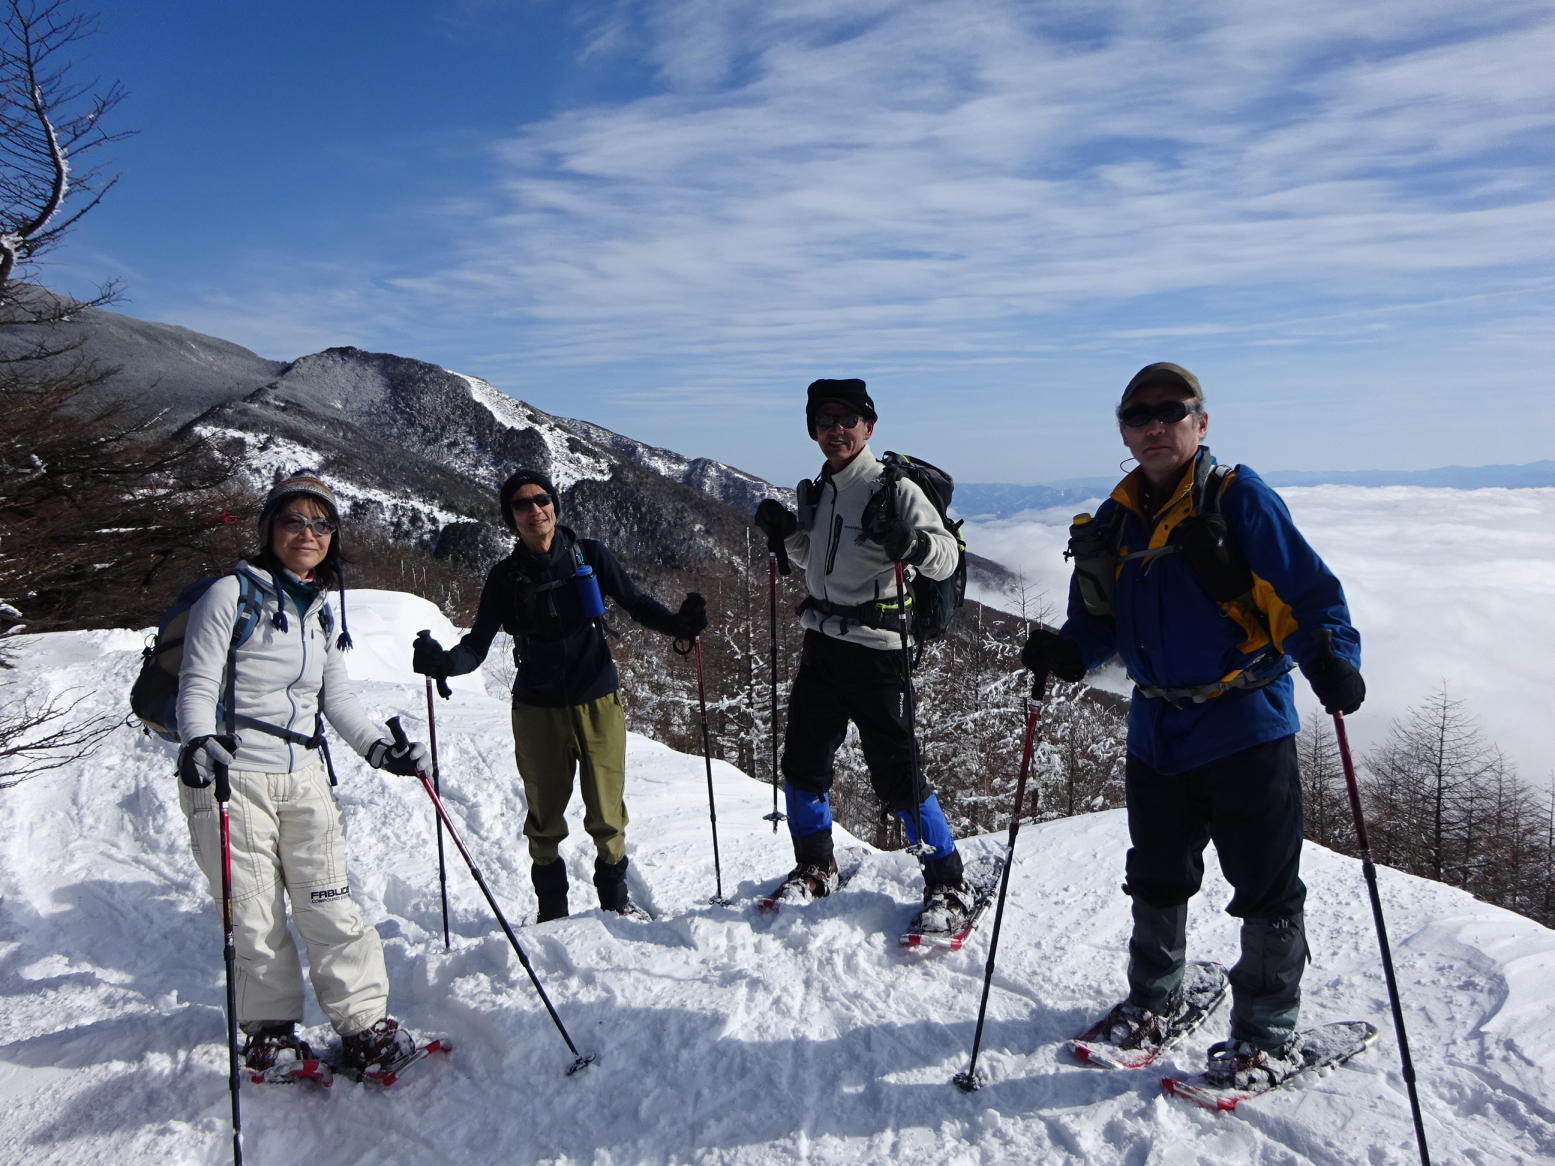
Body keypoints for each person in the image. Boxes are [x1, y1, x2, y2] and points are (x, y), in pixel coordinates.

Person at [1023, 362, 1365, 1087]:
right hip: (1156, 729)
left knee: (1265, 885)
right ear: (1122, 429)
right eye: (1137, 414)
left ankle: (1265, 1034)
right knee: (1155, 875)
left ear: (1199, 423)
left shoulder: (1238, 500)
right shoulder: (1113, 520)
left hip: (1245, 721)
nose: (1153, 425)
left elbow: (1304, 595)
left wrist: (1331, 657)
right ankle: (1154, 998)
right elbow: (1097, 621)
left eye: (1170, 411)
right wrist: (1066, 651)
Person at [176, 470, 431, 1082]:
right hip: (233, 777)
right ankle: (270, 1035)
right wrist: (197, 743)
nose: (309, 532)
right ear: (271, 530)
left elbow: (336, 700)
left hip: (305, 778)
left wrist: (379, 750)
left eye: (321, 523)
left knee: (329, 904)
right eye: (295, 520)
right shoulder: (229, 596)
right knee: (255, 914)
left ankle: (364, 1024)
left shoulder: (318, 612)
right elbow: (197, 682)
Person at [412, 470, 706, 922]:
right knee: (544, 815)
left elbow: (635, 601)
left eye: (542, 499)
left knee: (607, 807)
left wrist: (678, 624)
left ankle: (614, 899)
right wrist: (445, 663)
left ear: (555, 504)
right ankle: (552, 911)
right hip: (537, 707)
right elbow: (478, 644)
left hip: (597, 697)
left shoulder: (590, 555)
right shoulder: (505, 577)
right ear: (511, 518)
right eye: (522, 505)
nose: (535, 510)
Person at [752, 378, 970, 931]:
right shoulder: (821, 488)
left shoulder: (891, 488)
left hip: (877, 651)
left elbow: (943, 557)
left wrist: (911, 543)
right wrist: (787, 536)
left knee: (897, 772)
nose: (836, 430)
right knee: (802, 762)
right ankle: (814, 866)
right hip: (823, 644)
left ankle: (947, 881)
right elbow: (815, 564)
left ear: (868, 427)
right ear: (813, 431)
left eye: (847, 420)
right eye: (825, 421)